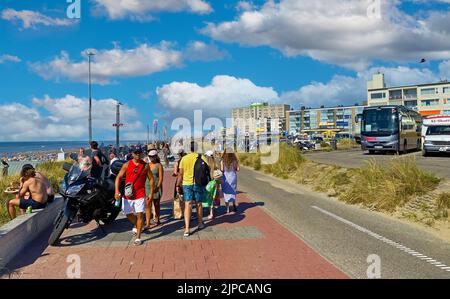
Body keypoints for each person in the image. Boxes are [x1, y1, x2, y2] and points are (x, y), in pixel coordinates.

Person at [114, 148, 154, 246]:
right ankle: (138, 224)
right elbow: (118, 177)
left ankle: (138, 237)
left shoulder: (145, 166)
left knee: (140, 215)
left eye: (139, 153)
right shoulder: (127, 164)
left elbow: (151, 179)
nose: (138, 155)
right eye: (136, 153)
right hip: (128, 194)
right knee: (128, 214)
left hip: (140, 194)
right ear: (132, 154)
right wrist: (116, 190)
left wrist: (151, 193)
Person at [176, 141, 209, 237]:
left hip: (186, 184)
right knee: (199, 204)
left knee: (188, 204)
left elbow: (180, 174)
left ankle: (187, 228)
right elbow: (208, 168)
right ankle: (200, 223)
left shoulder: (184, 159)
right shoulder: (201, 157)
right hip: (198, 183)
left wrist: (178, 185)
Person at [144, 150, 164, 229]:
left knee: (156, 204)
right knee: (148, 205)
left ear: (156, 156)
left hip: (156, 187)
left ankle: (157, 219)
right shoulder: (147, 165)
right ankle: (148, 222)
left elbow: (161, 178)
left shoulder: (159, 165)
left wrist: (158, 187)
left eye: (153, 156)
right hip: (147, 187)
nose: (151, 158)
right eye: (150, 156)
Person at [204, 150, 217, 220]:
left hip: (208, 183)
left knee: (208, 198)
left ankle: (210, 213)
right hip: (214, 182)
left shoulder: (206, 164)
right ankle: (211, 211)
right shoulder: (215, 164)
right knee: (212, 197)